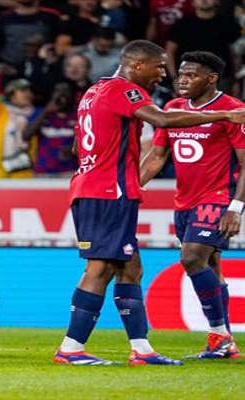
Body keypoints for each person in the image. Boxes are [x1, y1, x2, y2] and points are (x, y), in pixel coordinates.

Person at [54, 40, 245, 366]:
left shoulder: (93, 91)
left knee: (131, 268)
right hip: (108, 193)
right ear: (138, 65)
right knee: (99, 268)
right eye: (159, 68)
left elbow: (76, 145)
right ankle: (71, 347)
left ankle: (142, 349)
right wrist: (226, 114)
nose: (164, 75)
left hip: (103, 188)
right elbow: (162, 122)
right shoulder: (126, 92)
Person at [140, 51, 242, 359]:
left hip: (217, 197)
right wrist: (130, 187)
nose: (182, 80)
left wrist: (235, 207)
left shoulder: (233, 111)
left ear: (211, 79)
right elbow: (158, 156)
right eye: (180, 74)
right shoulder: (172, 109)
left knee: (191, 258)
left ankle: (221, 336)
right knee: (210, 266)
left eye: (191, 75)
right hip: (183, 200)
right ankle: (223, 342)